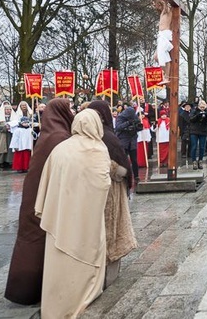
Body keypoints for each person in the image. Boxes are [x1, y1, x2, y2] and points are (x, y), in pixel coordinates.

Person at [35, 109, 111, 317]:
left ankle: (56, 308)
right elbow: (103, 184)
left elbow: (46, 182)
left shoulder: (60, 149)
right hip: (86, 217)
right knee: (85, 256)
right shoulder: (97, 149)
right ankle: (82, 297)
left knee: (59, 262)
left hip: (60, 216)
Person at [5, 99, 74, 305]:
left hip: (36, 198)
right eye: (68, 108)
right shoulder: (59, 137)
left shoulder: (50, 133)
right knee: (38, 243)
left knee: (32, 241)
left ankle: (24, 289)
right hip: (43, 201)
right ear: (61, 112)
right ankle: (30, 289)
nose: (72, 111)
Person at [87, 101, 136, 288]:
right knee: (110, 231)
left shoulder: (101, 135)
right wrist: (122, 172)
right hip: (110, 191)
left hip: (93, 192)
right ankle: (108, 277)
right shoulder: (106, 136)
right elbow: (120, 168)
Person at [114, 106, 142, 184]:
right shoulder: (120, 117)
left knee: (134, 160)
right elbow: (118, 128)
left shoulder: (135, 117)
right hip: (123, 140)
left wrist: (137, 126)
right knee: (123, 159)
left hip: (132, 140)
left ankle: (136, 175)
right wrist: (128, 123)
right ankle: (123, 175)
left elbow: (139, 126)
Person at [153, 0, 173, 85]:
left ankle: (166, 76)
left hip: (165, 34)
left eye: (155, 4)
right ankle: (166, 74)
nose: (154, 6)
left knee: (162, 55)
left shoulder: (167, 10)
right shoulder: (162, 13)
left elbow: (165, 6)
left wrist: (161, 0)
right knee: (156, 57)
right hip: (161, 35)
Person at [0, 102, 13, 169]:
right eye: (6, 109)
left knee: (9, 148)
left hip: (10, 135)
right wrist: (4, 128)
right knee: (0, 148)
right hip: (1, 135)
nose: (8, 111)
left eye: (10, 109)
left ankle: (8, 162)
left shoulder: (13, 117)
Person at [189, 100, 207, 169]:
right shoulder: (194, 110)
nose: (202, 108)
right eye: (201, 107)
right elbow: (191, 119)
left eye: (203, 107)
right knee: (194, 146)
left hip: (203, 131)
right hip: (194, 131)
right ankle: (194, 161)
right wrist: (198, 115)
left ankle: (200, 160)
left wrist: (206, 116)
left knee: (202, 147)